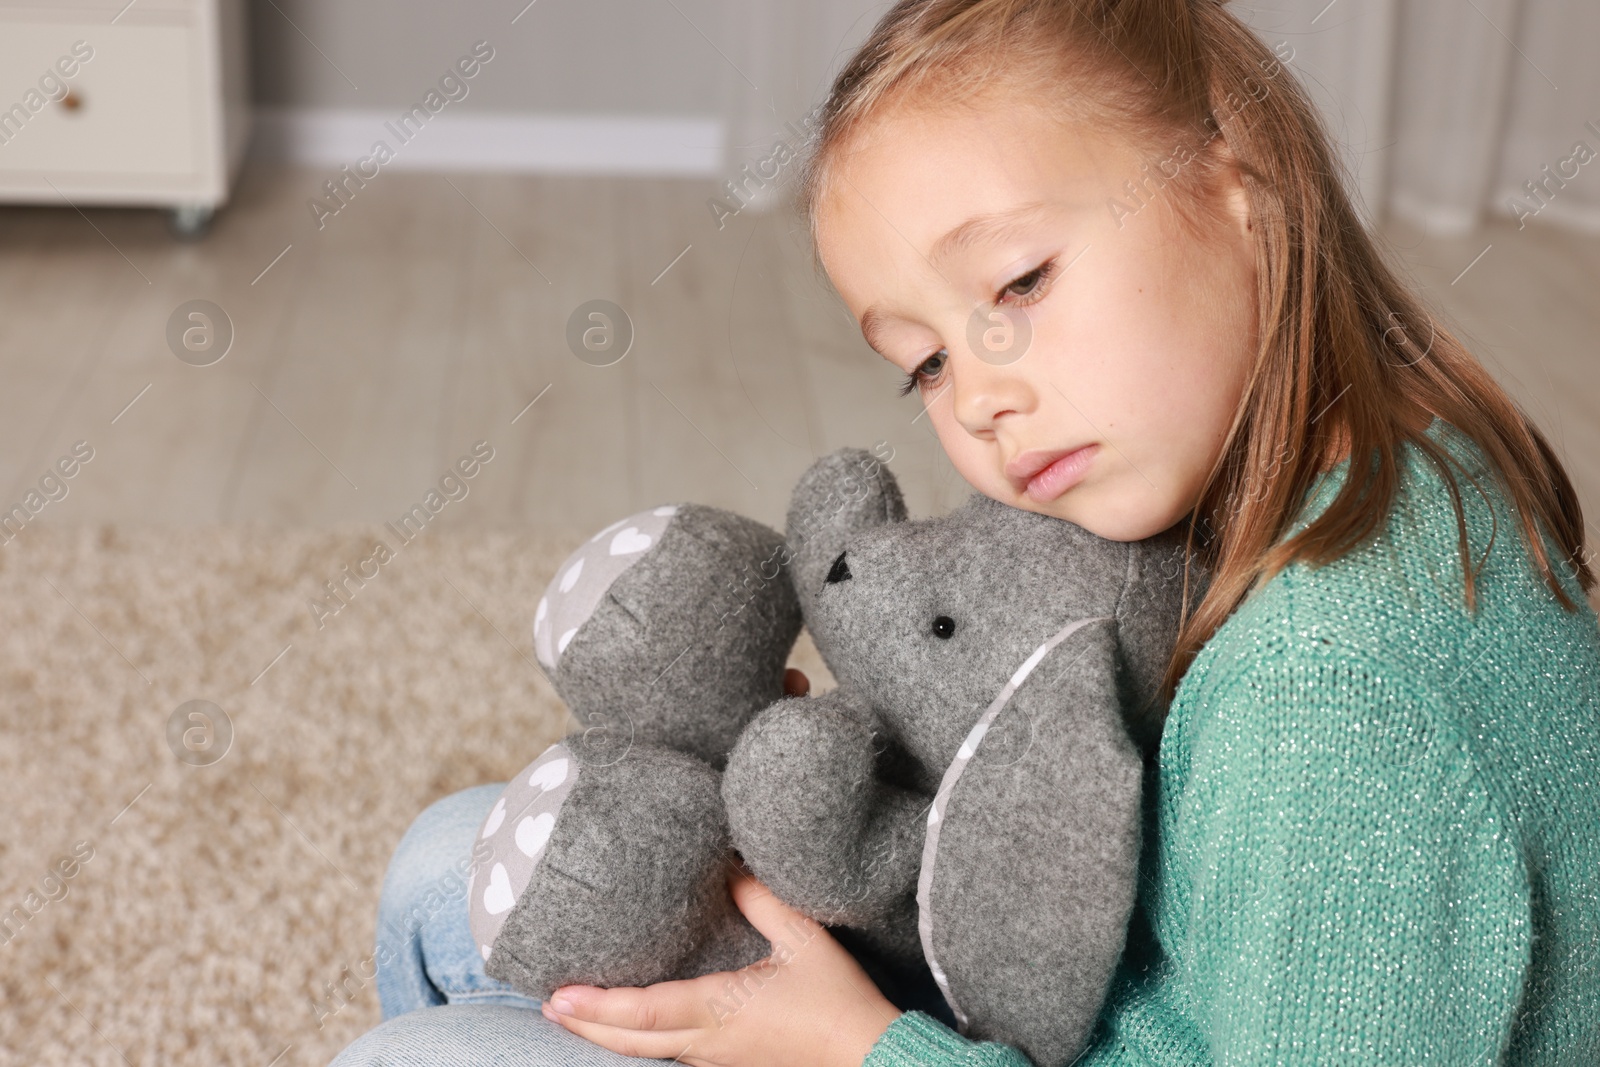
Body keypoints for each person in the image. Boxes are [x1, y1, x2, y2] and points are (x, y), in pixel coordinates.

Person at [331, 0, 1600, 1063]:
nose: (981, 392)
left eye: (1020, 284)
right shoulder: (1364, 461)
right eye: (924, 361)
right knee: (453, 861)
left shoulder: (1334, 704)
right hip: (1093, 983)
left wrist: (861, 1043)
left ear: (1240, 187)